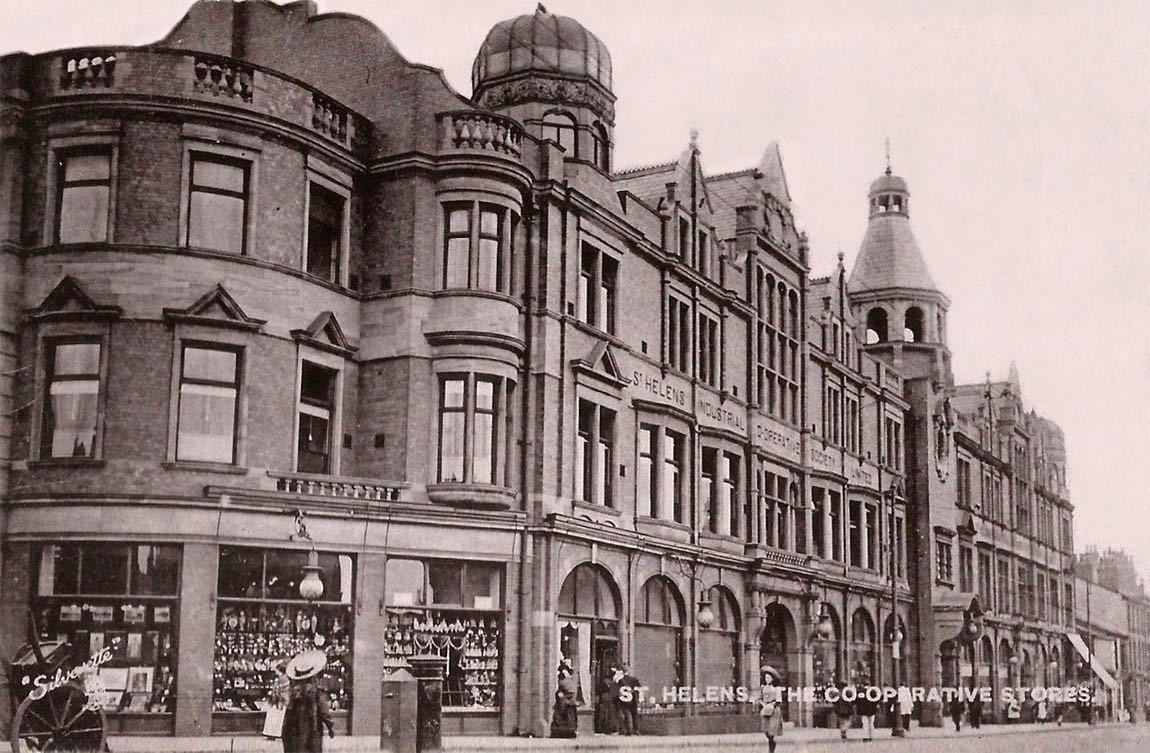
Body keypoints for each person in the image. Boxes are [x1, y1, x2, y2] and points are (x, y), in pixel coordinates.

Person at [282, 650, 334, 753]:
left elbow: (287, 716)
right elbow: (324, 712)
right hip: (312, 731)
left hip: (293, 732)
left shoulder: (293, 693)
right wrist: (330, 727)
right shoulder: (316, 693)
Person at [550, 659, 579, 738]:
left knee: (568, 717)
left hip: (567, 702)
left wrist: (562, 694)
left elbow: (570, 691)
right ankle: (566, 732)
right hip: (566, 702)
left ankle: (568, 732)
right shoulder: (567, 680)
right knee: (567, 717)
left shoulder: (567, 680)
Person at [759, 667, 783, 753]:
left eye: (768, 678)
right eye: (766, 678)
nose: (767, 679)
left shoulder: (776, 689)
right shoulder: (763, 688)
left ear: (772, 679)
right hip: (765, 710)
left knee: (771, 731)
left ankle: (771, 748)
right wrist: (763, 704)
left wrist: (771, 705)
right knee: (766, 730)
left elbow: (778, 700)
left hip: (774, 711)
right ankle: (772, 743)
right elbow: (760, 698)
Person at [616, 666, 642, 736]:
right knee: (635, 715)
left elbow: (618, 691)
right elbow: (638, 688)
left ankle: (629, 730)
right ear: (629, 672)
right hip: (633, 700)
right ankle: (636, 730)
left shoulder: (621, 681)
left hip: (624, 700)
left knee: (627, 715)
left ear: (623, 672)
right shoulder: (634, 680)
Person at [595, 665, 620, 734]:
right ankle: (610, 728)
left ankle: (601, 727)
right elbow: (615, 693)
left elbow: (599, 690)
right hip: (610, 698)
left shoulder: (604, 681)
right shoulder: (614, 682)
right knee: (611, 713)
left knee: (603, 713)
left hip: (604, 698)